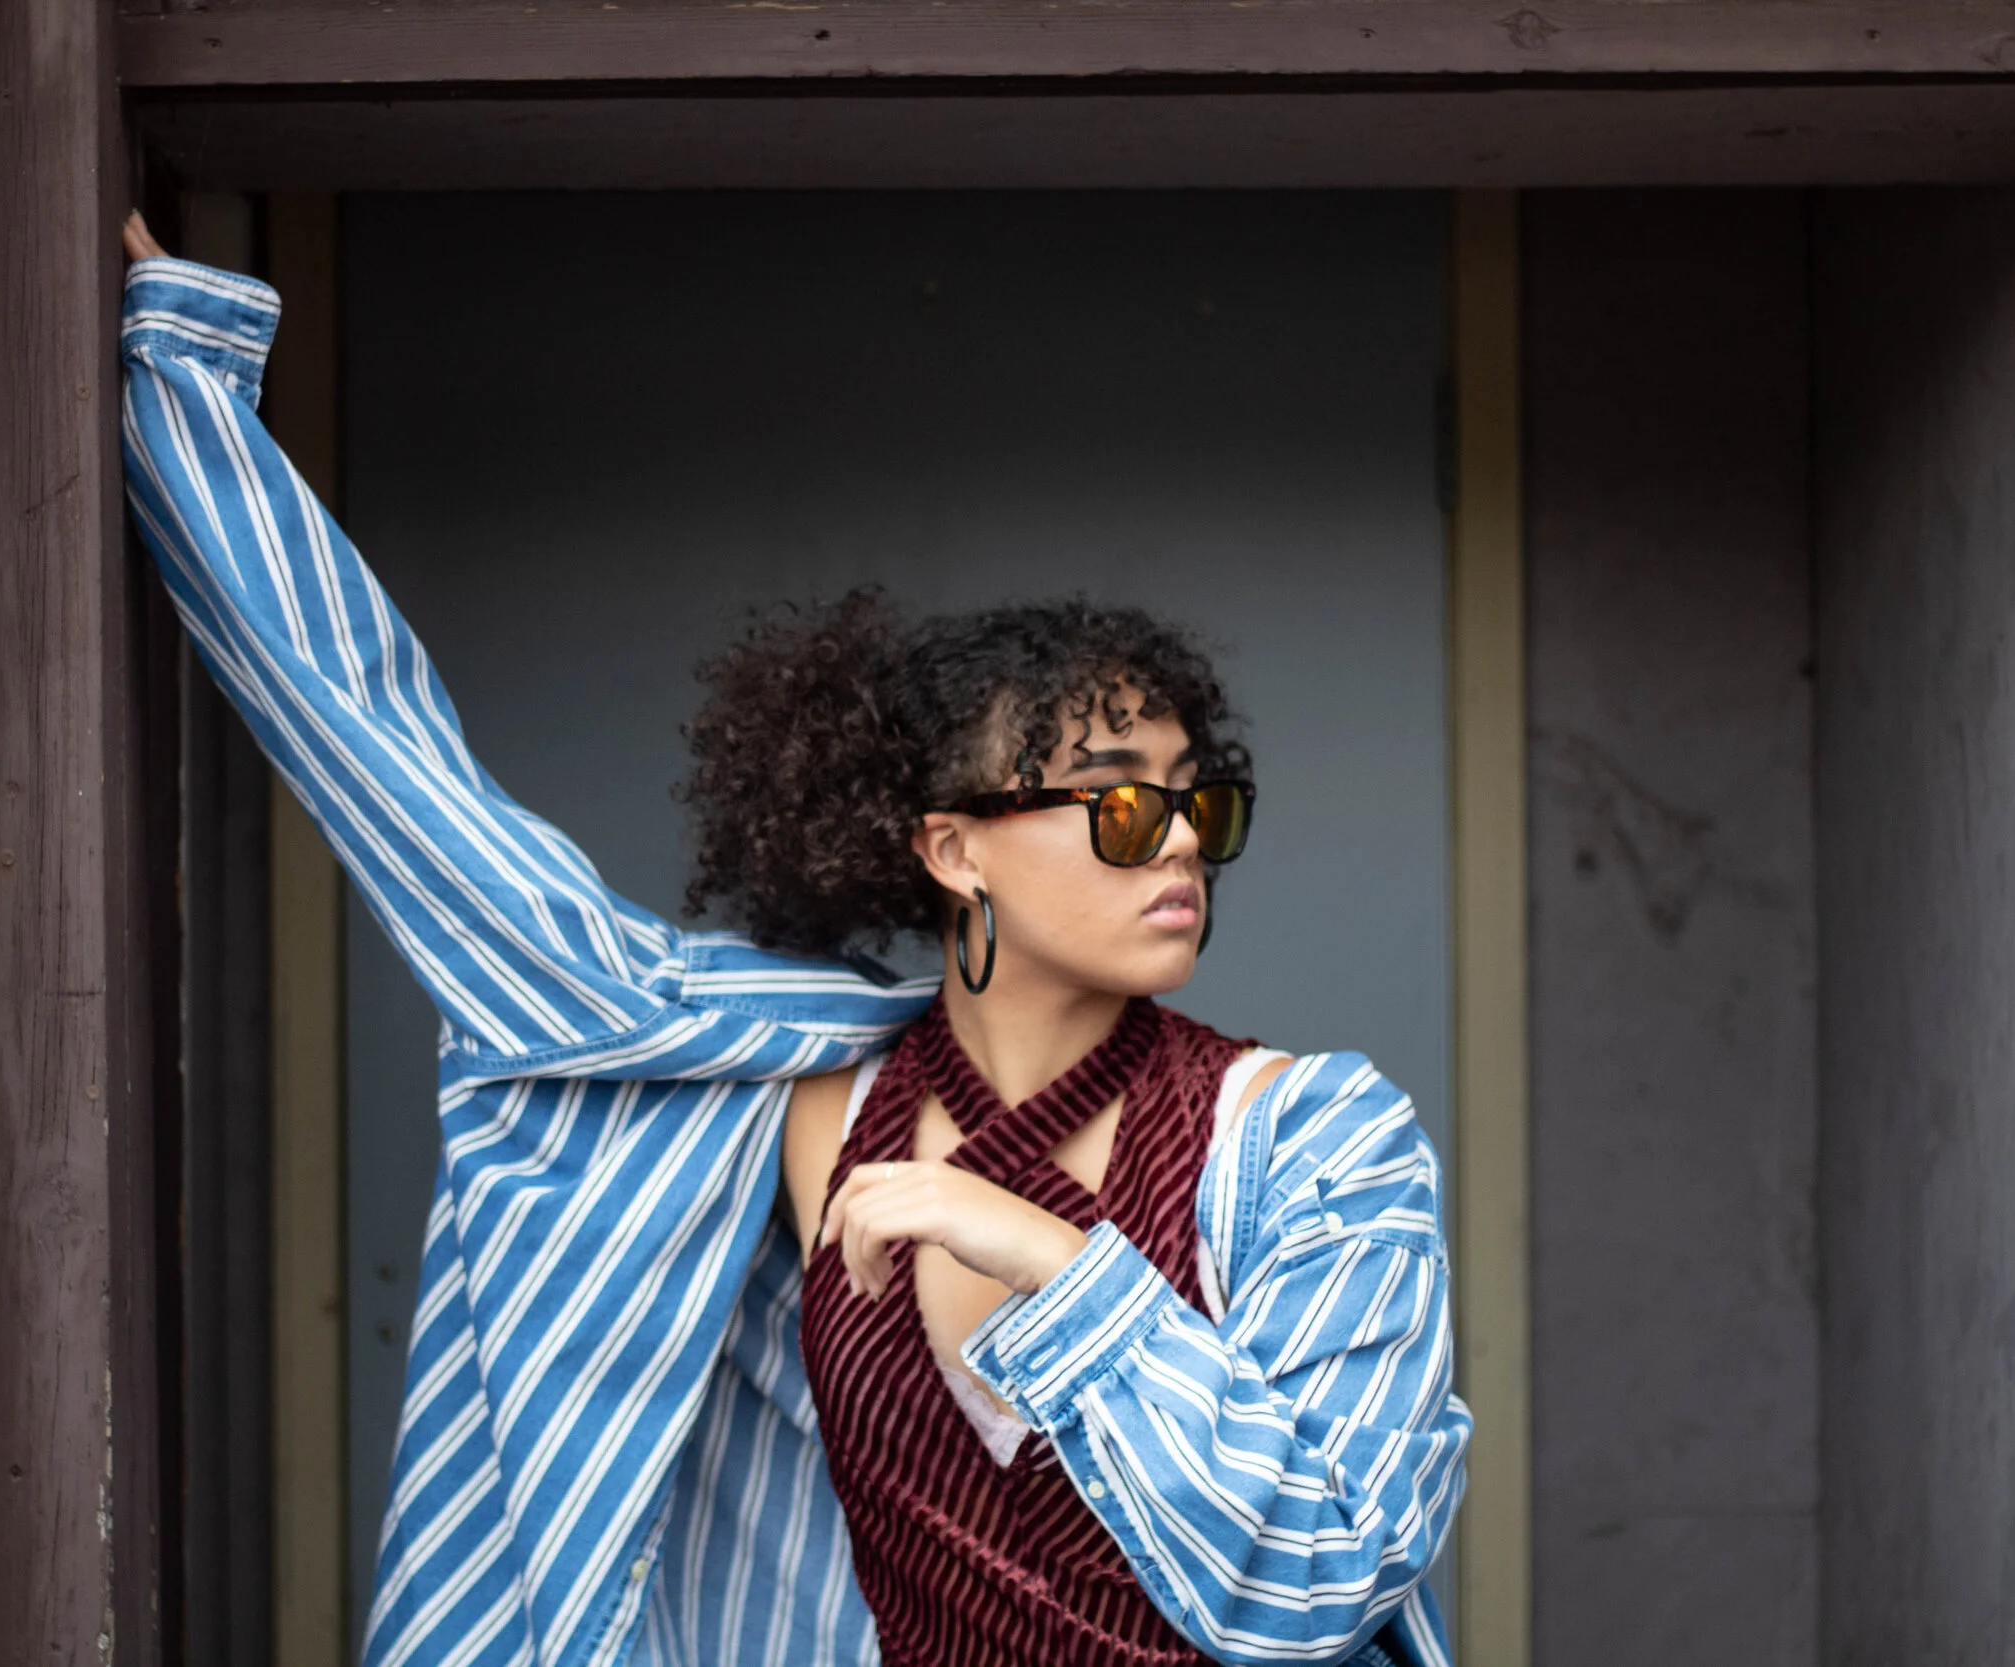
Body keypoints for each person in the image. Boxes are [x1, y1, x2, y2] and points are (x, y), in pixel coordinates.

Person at [119, 211, 1469, 1667]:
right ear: (953, 850)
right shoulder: (793, 1105)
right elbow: (403, 784)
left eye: (1198, 799)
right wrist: (188, 382)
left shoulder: (1320, 1142)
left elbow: (1323, 1575)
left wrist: (1051, 1259)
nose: (1184, 839)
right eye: (1120, 803)